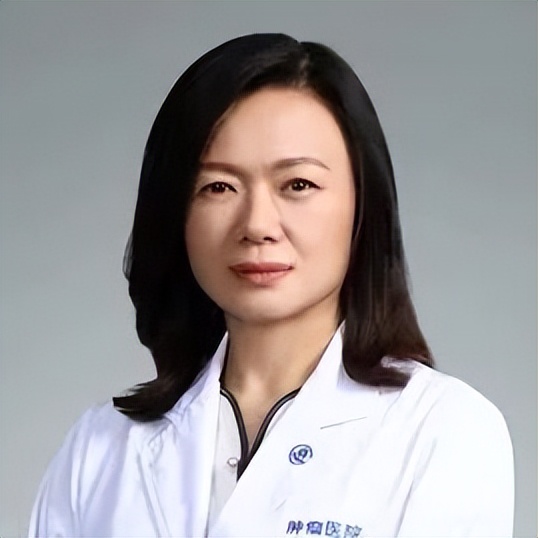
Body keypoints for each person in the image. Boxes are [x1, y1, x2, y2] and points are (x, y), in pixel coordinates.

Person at [29, 34, 514, 537]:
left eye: (298, 185)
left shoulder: (444, 431)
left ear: (362, 204)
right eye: (219, 187)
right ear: (175, 212)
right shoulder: (100, 450)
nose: (257, 224)